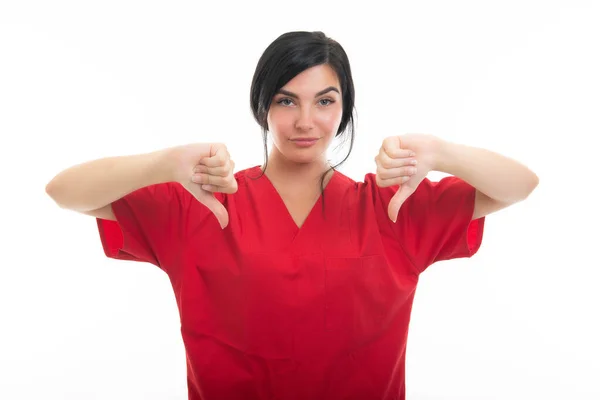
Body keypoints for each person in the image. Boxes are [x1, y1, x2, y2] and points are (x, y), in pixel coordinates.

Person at [46, 31, 539, 400]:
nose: (306, 121)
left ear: (343, 112)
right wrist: (163, 164)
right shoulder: (205, 205)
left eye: (325, 101)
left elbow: (520, 185)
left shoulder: (390, 206)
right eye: (287, 101)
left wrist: (440, 152)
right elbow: (64, 191)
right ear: (263, 108)